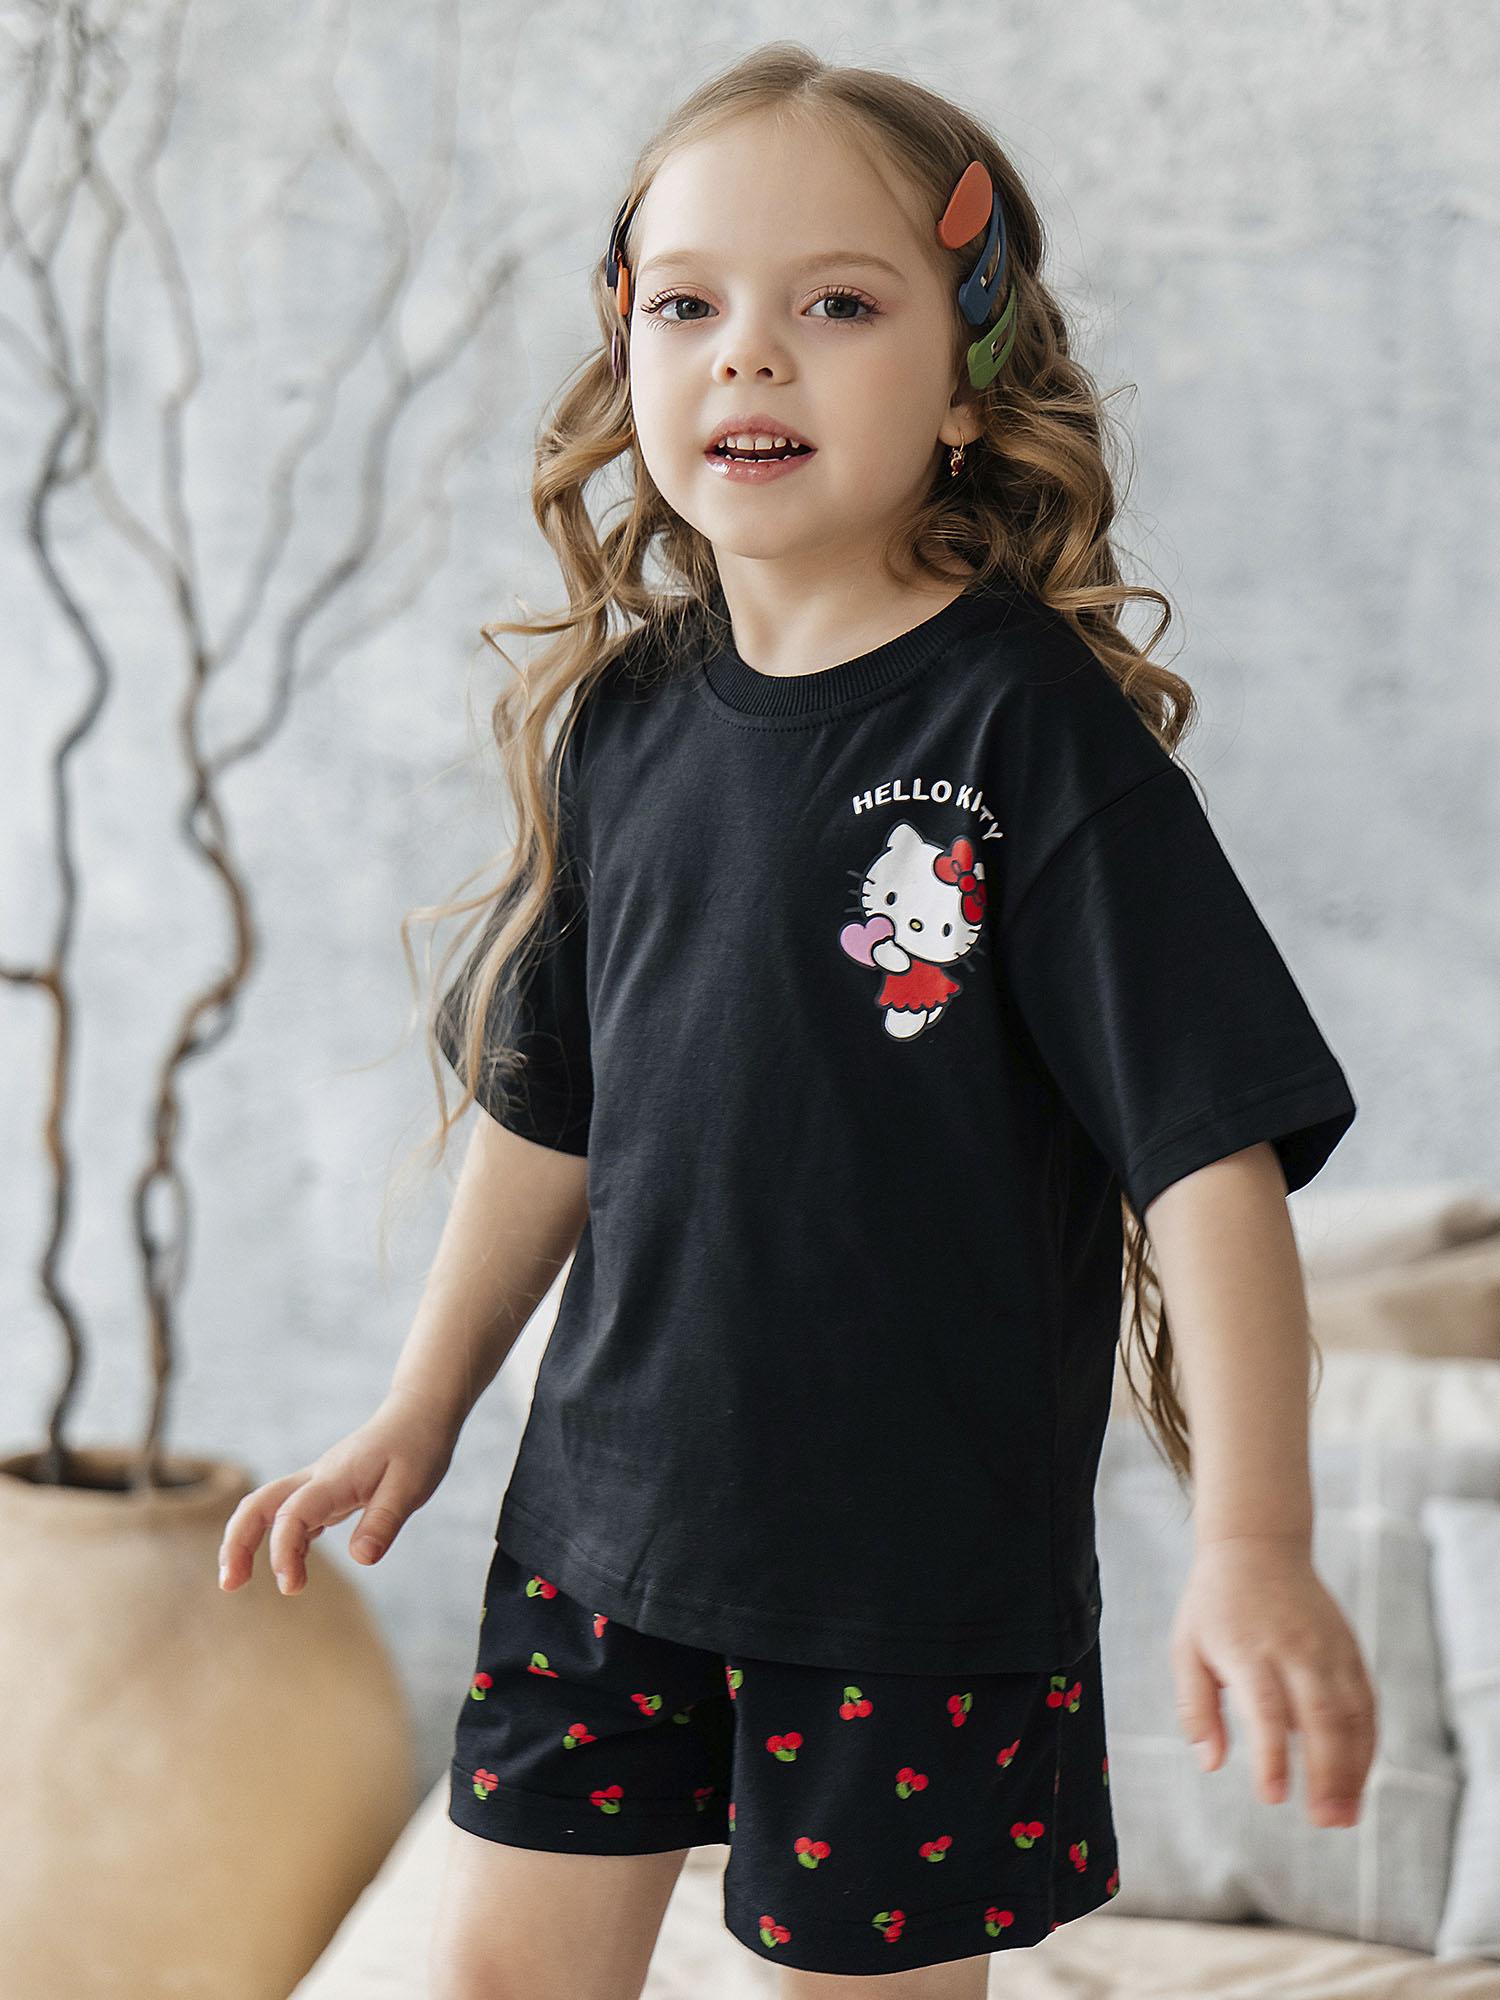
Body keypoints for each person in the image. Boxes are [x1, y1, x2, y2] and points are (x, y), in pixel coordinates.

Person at [216, 42, 1378, 2000]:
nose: (750, 353)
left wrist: (1254, 1540)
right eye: (689, 306)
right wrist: (422, 1404)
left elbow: (1210, 1156)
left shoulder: (1027, 733)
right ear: (626, 352)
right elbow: (552, 1110)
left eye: (838, 304)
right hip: (600, 1524)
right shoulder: (628, 721)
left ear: (970, 377)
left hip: (912, 1588)